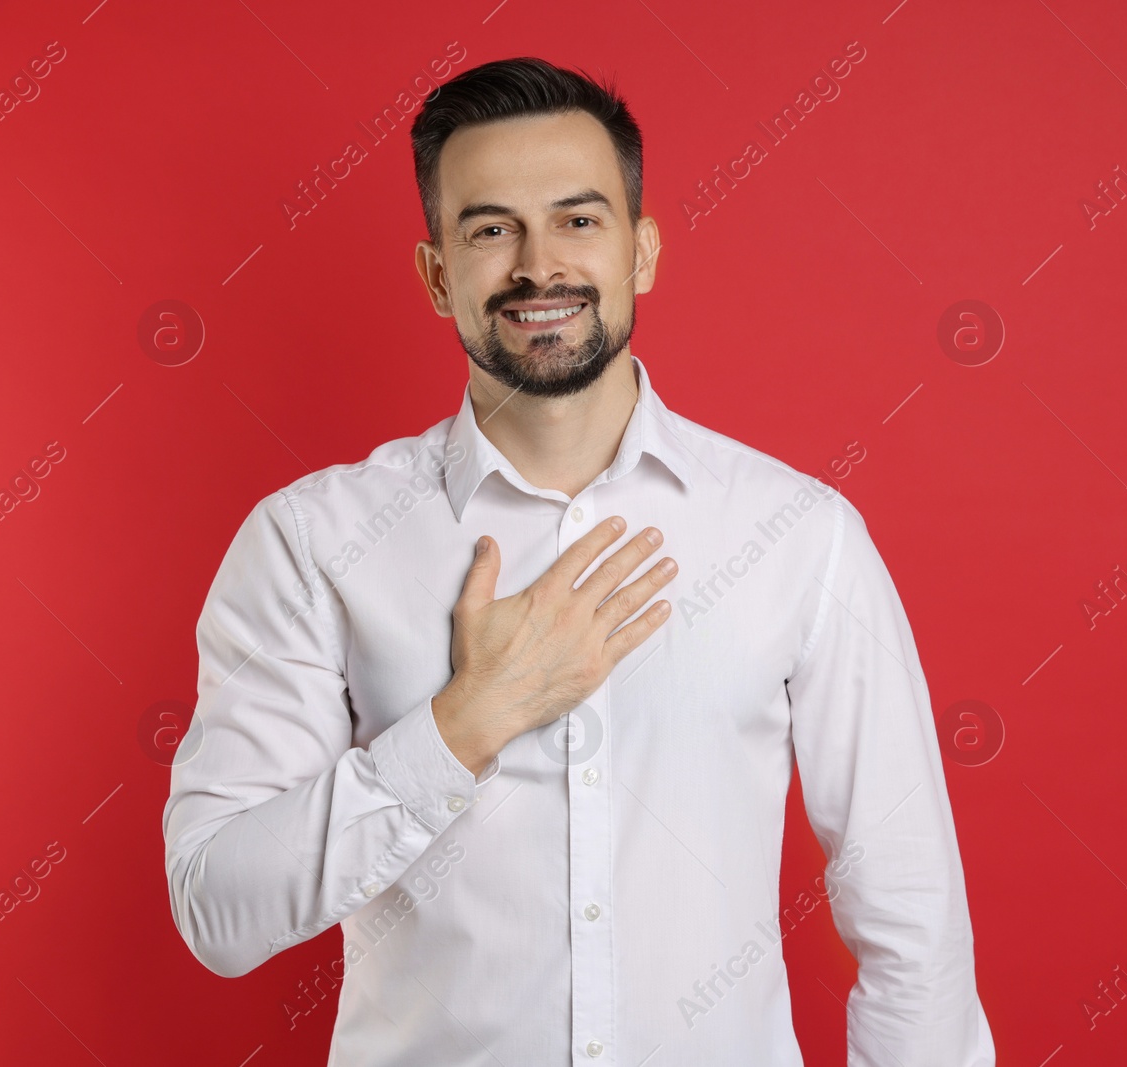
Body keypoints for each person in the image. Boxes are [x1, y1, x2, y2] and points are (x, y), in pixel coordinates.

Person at [162, 56, 995, 1066]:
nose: (536, 264)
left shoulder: (798, 536)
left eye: (577, 219)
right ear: (437, 274)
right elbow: (218, 907)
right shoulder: (310, 541)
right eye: (488, 228)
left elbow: (913, 922)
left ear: (641, 252)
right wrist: (466, 721)